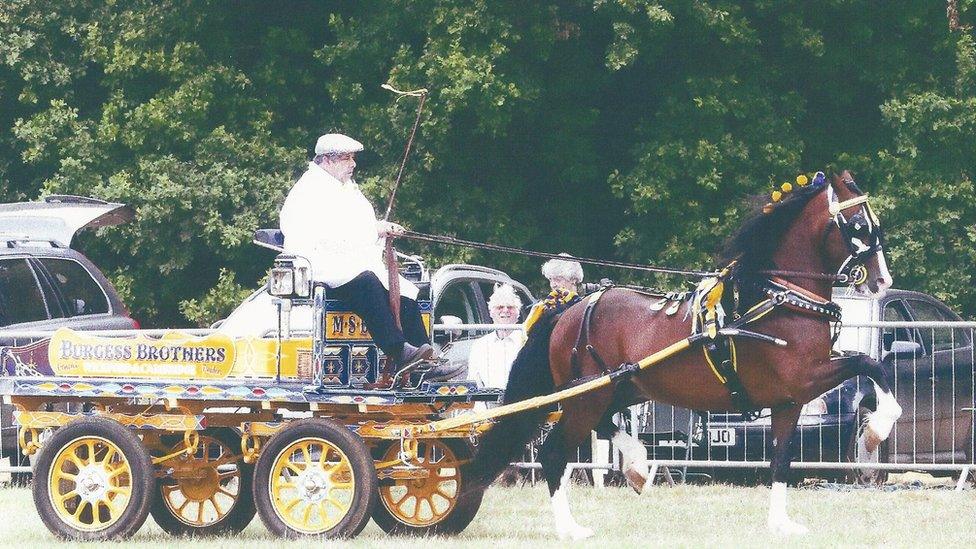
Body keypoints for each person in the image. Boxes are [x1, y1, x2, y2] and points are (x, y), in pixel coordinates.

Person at [279, 133, 433, 384]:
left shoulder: (346, 188)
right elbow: (328, 233)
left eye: (352, 158)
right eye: (347, 158)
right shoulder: (308, 191)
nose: (353, 164)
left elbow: (359, 225)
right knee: (369, 283)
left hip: (352, 264)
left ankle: (424, 357)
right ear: (328, 160)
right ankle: (398, 349)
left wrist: (382, 227)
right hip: (323, 266)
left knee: (404, 291)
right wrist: (374, 230)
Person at [467, 284, 525, 394]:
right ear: (491, 312)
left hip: (521, 404)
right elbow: (474, 383)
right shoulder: (479, 345)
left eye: (510, 307)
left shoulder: (526, 341)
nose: (505, 310)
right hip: (488, 407)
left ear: (518, 313)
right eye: (500, 307)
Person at [524, 253, 584, 334]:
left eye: (558, 279)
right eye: (550, 279)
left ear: (574, 279)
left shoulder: (588, 301)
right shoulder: (543, 307)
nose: (553, 284)